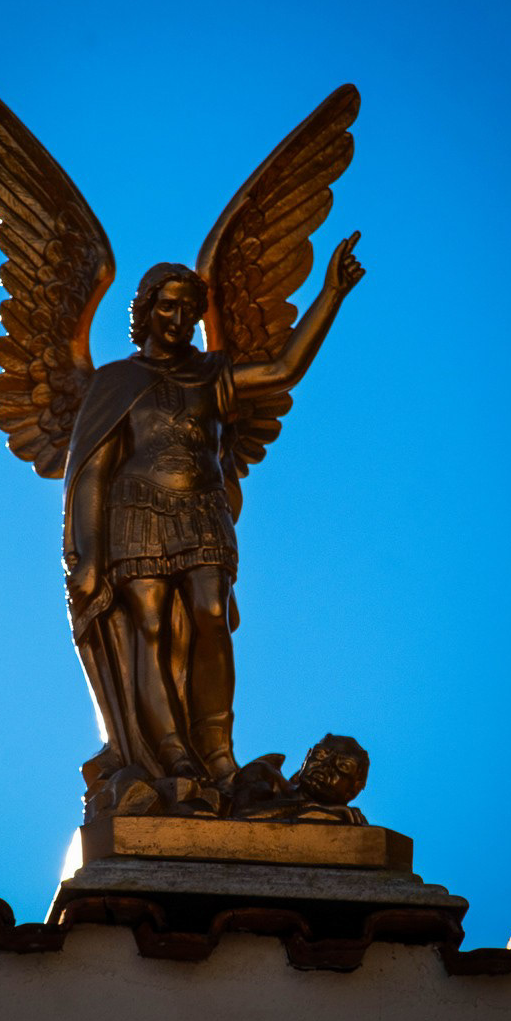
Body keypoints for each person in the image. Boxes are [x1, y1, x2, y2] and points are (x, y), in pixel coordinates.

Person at [64, 236, 364, 792]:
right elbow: (91, 472)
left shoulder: (211, 373)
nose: (178, 320)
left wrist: (331, 294)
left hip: (202, 510)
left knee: (210, 615)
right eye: (167, 307)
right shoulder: (115, 381)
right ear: (145, 310)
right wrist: (88, 555)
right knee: (150, 626)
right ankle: (172, 753)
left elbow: (283, 370)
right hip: (137, 513)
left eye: (188, 310)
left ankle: (218, 753)